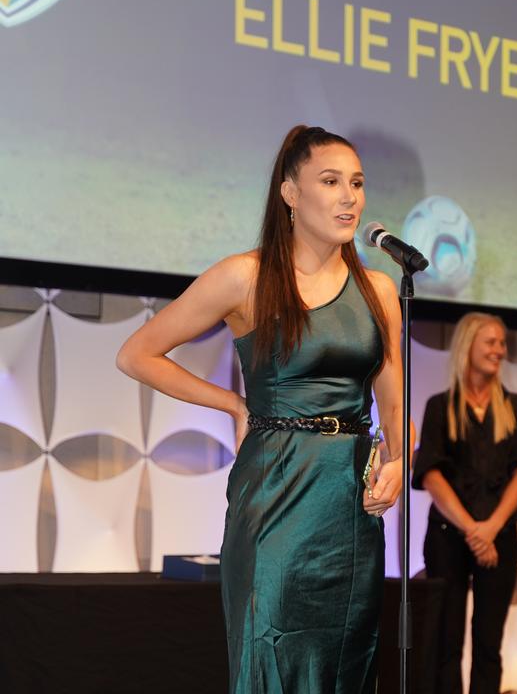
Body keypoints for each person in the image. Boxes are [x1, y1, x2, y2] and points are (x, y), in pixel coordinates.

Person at [116, 125, 404, 693]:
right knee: (269, 653)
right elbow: (137, 354)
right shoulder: (245, 276)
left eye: (357, 183)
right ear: (290, 192)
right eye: (330, 181)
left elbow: (394, 410)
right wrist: (230, 402)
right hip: (275, 495)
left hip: (349, 509)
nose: (349, 196)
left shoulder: (380, 290)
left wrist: (398, 464)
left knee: (347, 664)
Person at [412, 312, 517, 694]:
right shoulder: (440, 406)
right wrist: (473, 530)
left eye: (502, 343)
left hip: (499, 538)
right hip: (449, 537)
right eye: (491, 342)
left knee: (489, 645)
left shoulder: (513, 406)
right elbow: (431, 475)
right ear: (468, 345)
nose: (500, 350)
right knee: (445, 643)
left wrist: (490, 529)